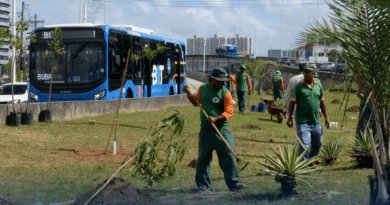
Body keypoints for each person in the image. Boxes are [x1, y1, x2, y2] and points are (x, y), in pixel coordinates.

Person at [183, 67, 246, 192]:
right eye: (220, 80)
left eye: (224, 81)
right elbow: (197, 103)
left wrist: (216, 118)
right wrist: (188, 94)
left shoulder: (225, 93)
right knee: (203, 159)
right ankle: (203, 185)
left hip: (222, 130)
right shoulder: (203, 88)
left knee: (228, 155)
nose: (222, 83)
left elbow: (228, 112)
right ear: (212, 79)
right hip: (205, 131)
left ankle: (233, 183)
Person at [286, 65, 330, 161]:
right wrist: (290, 118)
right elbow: (292, 103)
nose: (305, 74)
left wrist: (327, 118)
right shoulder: (298, 87)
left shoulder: (318, 86)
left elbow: (322, 102)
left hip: (316, 121)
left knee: (318, 144)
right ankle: (302, 166)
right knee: (304, 145)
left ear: (313, 74)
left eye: (308, 72)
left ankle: (311, 160)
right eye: (304, 72)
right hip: (303, 121)